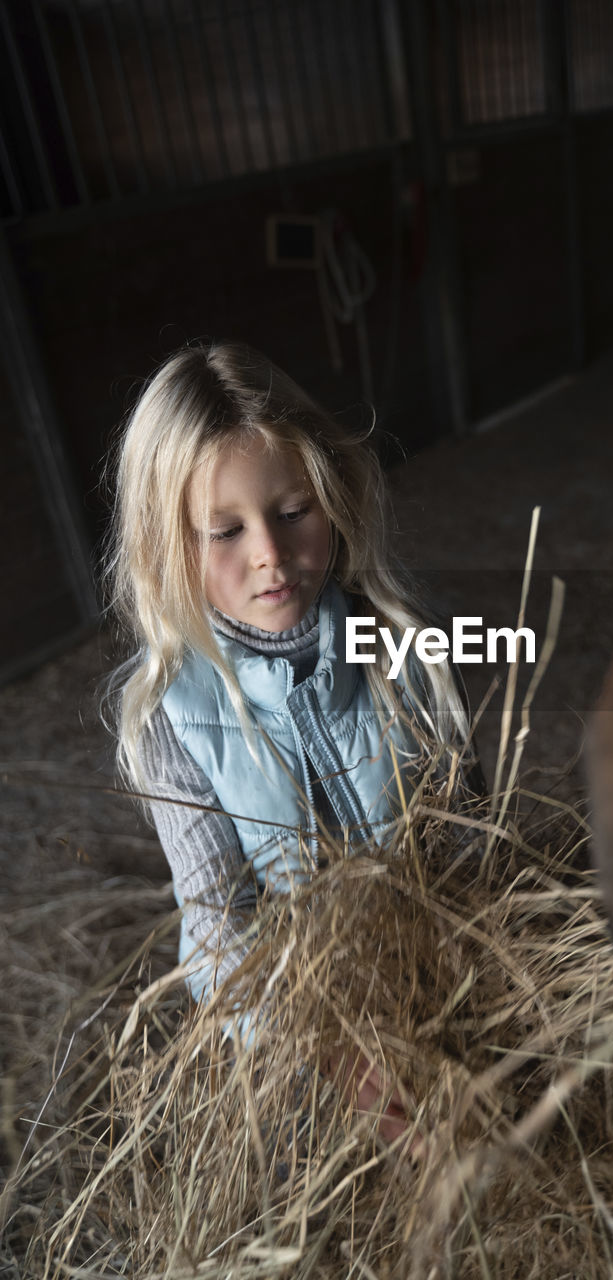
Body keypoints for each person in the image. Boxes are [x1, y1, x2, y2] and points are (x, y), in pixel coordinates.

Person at [104, 340, 475, 1145]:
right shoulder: (173, 715)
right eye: (224, 531)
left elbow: (472, 830)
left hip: (453, 985)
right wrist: (348, 1062)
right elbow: (219, 922)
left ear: (331, 493)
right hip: (297, 1050)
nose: (268, 554)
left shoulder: (411, 647)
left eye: (291, 511)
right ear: (167, 546)